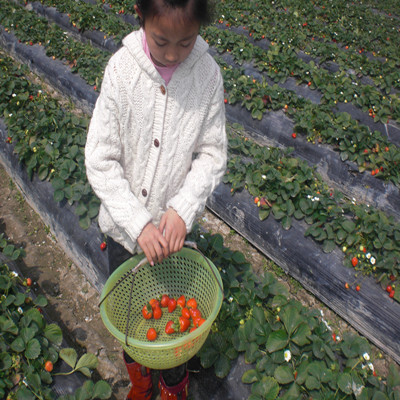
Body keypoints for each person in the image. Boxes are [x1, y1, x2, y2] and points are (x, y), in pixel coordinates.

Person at [84, 0, 227, 397]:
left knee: (174, 325)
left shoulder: (207, 76)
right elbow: (100, 159)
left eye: (186, 42)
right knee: (133, 321)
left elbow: (213, 153)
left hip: (172, 241)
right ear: (140, 15)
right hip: (124, 236)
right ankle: (141, 382)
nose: (171, 54)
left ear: (200, 26)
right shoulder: (122, 71)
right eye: (161, 40)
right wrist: (137, 222)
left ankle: (173, 388)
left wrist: (181, 210)